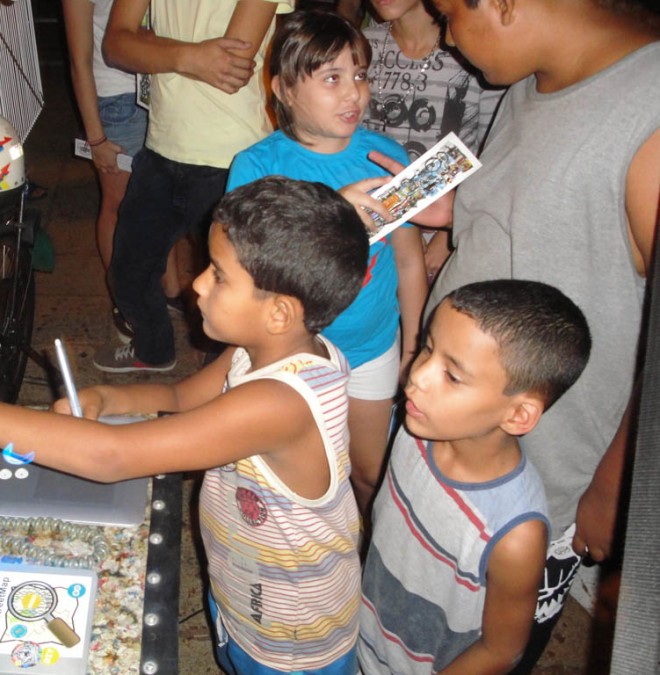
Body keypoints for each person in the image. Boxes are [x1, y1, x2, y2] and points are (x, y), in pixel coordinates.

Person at [0, 177, 369, 674]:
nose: (196, 283)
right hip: (243, 591)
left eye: (218, 275)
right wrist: (107, 396)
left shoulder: (279, 402)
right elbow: (180, 397)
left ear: (279, 313)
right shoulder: (260, 352)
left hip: (290, 639)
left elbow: (111, 456)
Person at [424, 0, 659, 669]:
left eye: (449, 14)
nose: (448, 37)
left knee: (488, 643)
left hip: (543, 473)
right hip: (456, 423)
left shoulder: (647, 114)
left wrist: (618, 483)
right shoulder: (527, 80)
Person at [227, 10, 443, 518]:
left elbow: (409, 261)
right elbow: (248, 270)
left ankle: (371, 546)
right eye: (332, 78)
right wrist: (332, 215)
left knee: (369, 470)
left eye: (360, 75)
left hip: (372, 345)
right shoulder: (256, 166)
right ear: (283, 89)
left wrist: (413, 342)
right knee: (291, 468)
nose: (354, 93)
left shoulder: (384, 157)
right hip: (289, 352)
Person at [358, 279, 592, 674]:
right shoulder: (415, 430)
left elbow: (501, 650)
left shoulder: (514, 535)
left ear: (518, 414)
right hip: (364, 637)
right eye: (427, 348)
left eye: (452, 376)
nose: (418, 376)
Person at [91, 0, 294, 373]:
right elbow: (116, 45)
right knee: (128, 272)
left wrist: (152, 47)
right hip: (160, 146)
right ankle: (154, 349)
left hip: (234, 156)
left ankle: (225, 376)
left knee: (238, 286)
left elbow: (230, 65)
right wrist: (189, 56)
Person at [357, 0, 503, 281]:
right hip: (371, 232)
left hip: (445, 231)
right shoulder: (359, 46)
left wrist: (450, 234)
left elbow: (494, 151)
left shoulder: (473, 49)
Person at [60, 0, 149, 341]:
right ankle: (124, 301)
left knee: (160, 197)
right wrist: (95, 137)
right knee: (119, 206)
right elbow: (79, 61)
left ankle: (167, 290)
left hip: (165, 91)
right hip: (117, 98)